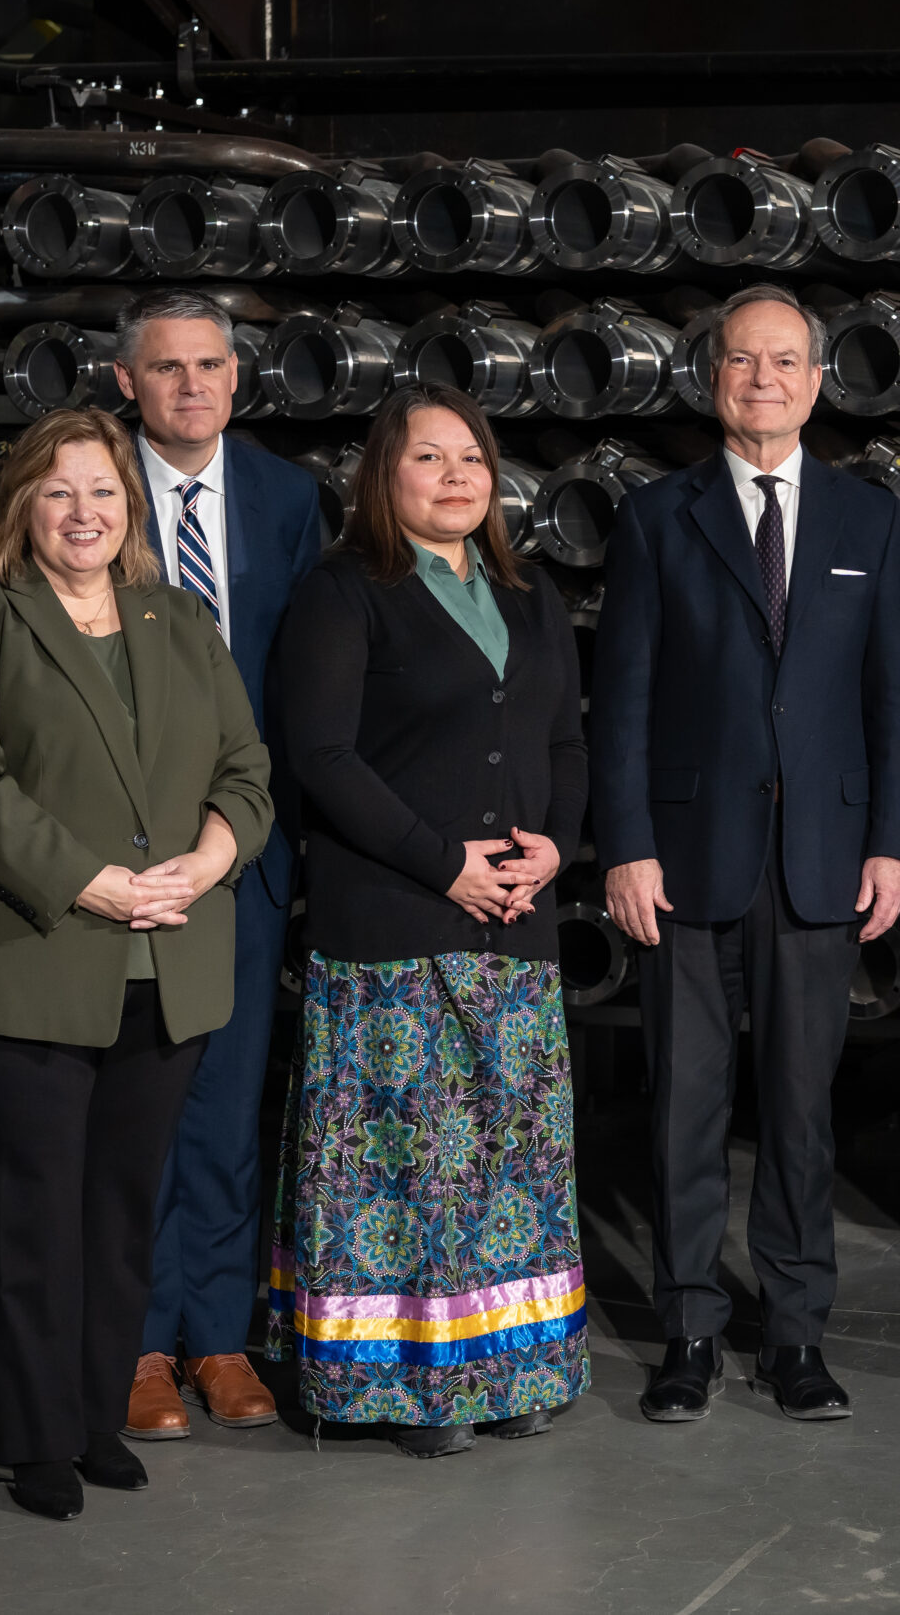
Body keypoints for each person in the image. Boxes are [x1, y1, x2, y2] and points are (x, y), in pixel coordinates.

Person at [0, 407, 273, 1520]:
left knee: (119, 1208)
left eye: (103, 491)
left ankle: (95, 1409)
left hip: (170, 956)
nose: (83, 513)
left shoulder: (178, 616)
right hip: (22, 954)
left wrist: (205, 864)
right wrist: (91, 881)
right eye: (58, 491)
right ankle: (34, 1438)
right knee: (31, 1214)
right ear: (22, 503)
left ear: (130, 507)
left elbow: (245, 767)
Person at [593, 283, 900, 1426]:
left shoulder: (866, 520)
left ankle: (795, 1337)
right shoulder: (655, 518)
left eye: (786, 362)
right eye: (744, 361)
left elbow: (892, 701)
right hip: (684, 859)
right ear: (713, 377)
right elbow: (620, 699)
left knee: (798, 1111)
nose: (765, 380)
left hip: (822, 858)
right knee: (684, 1102)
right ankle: (688, 1330)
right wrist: (625, 845)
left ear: (817, 381)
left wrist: (891, 844)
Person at [264, 383, 589, 1459]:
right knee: (402, 1166)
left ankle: (509, 1370)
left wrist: (555, 846)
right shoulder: (344, 590)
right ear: (380, 477)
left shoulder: (530, 591)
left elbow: (561, 744)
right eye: (427, 459)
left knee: (508, 1160)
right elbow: (318, 756)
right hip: (393, 923)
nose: (454, 477)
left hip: (515, 923)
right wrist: (442, 863)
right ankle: (398, 1390)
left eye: (472, 460)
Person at [108, 288, 322, 1441]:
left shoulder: (288, 499)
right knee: (140, 1102)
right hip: (125, 857)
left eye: (209, 367)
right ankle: (137, 1342)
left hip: (244, 849)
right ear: (125, 383)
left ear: (238, 380)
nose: (190, 387)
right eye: (166, 368)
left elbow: (305, 680)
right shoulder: (86, 488)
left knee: (230, 1105)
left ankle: (217, 1337)